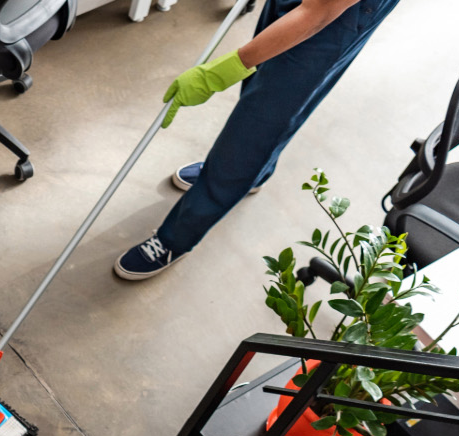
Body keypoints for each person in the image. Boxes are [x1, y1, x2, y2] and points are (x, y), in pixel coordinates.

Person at [114, 0, 400, 280]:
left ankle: (175, 238)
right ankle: (253, 175)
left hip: (335, 13)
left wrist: (219, 73)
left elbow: (320, 11)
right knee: (265, 80)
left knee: (258, 124)